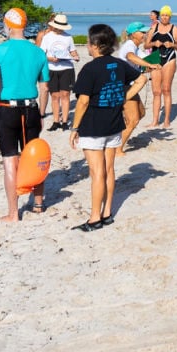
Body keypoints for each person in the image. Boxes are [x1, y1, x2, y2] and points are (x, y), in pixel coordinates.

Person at [69, 24, 148, 231]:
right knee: (109, 170)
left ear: (95, 45)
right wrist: (122, 98)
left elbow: (83, 102)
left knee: (97, 173)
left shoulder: (89, 69)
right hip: (114, 124)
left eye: (88, 41)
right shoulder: (119, 64)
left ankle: (95, 218)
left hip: (93, 126)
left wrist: (74, 128)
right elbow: (141, 79)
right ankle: (107, 213)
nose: (87, 45)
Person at [0, 8, 50, 222]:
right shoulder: (38, 52)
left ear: (8, 25)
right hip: (31, 108)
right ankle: (38, 203)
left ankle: (14, 213)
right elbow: (44, 88)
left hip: (7, 108)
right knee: (35, 156)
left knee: (10, 160)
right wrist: (41, 113)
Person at [115, 22, 161, 154]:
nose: (144, 35)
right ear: (133, 34)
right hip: (124, 86)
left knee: (141, 113)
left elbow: (139, 63)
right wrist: (149, 65)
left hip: (131, 85)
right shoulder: (129, 46)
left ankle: (119, 132)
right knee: (133, 119)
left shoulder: (137, 47)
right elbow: (130, 57)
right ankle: (118, 149)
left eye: (145, 32)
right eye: (142, 32)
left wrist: (151, 65)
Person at [143, 5, 177, 128]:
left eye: (167, 15)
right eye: (163, 15)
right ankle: (155, 121)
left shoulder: (174, 29)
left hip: (169, 59)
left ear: (170, 17)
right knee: (156, 91)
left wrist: (172, 44)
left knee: (166, 90)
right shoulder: (154, 27)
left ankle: (166, 120)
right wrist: (154, 43)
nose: (165, 18)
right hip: (155, 58)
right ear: (160, 16)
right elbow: (146, 45)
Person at [40, 13, 80, 131]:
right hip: (52, 68)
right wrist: (50, 58)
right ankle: (56, 121)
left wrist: (76, 56)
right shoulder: (47, 37)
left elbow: (72, 51)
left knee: (65, 95)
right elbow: (42, 54)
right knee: (55, 96)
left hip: (66, 68)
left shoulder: (68, 37)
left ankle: (65, 122)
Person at [35, 13, 56, 119]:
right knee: (43, 88)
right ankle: (39, 111)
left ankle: (42, 112)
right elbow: (37, 51)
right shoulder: (42, 34)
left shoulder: (61, 35)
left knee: (47, 89)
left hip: (56, 65)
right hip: (43, 64)